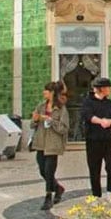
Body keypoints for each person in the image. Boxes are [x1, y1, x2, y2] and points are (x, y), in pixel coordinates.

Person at [31, 81, 69, 210]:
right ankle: (58, 187)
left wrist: (50, 121)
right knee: (42, 170)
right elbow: (32, 124)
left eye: (46, 91)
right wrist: (35, 120)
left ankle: (48, 196)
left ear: (52, 93)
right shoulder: (40, 106)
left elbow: (64, 128)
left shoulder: (61, 109)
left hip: (53, 143)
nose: (44, 93)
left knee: (49, 170)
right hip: (41, 142)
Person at [81, 76, 111, 198]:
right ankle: (96, 196)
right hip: (93, 140)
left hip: (108, 139)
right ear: (101, 89)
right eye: (108, 87)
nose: (110, 89)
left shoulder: (109, 103)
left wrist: (109, 121)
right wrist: (100, 121)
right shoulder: (88, 102)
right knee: (94, 168)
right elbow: (88, 116)